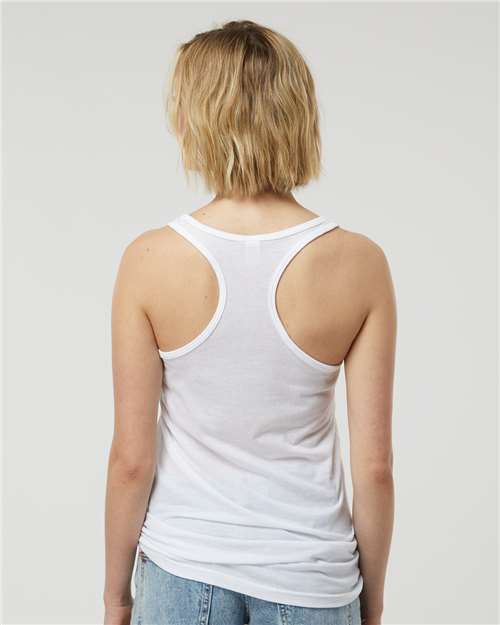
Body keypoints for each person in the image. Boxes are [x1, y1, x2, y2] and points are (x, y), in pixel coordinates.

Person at [103, 19, 396, 625]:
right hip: (312, 577)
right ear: (297, 113)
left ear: (196, 118)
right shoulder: (359, 263)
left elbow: (131, 460)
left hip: (183, 568)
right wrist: (371, 604)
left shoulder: (150, 260)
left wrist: (115, 598)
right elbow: (375, 469)